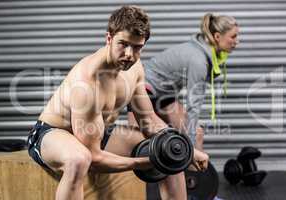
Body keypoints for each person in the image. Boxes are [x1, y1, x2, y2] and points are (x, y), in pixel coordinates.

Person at [27, 6, 208, 200]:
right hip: (52, 135)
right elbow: (93, 158)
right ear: (109, 39)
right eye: (123, 44)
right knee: (79, 159)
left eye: (137, 47)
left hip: (96, 135)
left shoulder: (135, 68)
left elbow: (148, 121)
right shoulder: (88, 81)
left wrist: (187, 151)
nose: (129, 54)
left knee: (169, 150)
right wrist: (142, 162)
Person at [128, 13, 239, 150]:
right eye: (233, 36)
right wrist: (191, 151)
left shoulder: (204, 52)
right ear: (217, 36)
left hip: (163, 93)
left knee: (195, 134)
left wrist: (191, 146)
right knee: (138, 142)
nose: (237, 41)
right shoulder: (199, 61)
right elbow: (194, 106)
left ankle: (194, 171)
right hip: (143, 89)